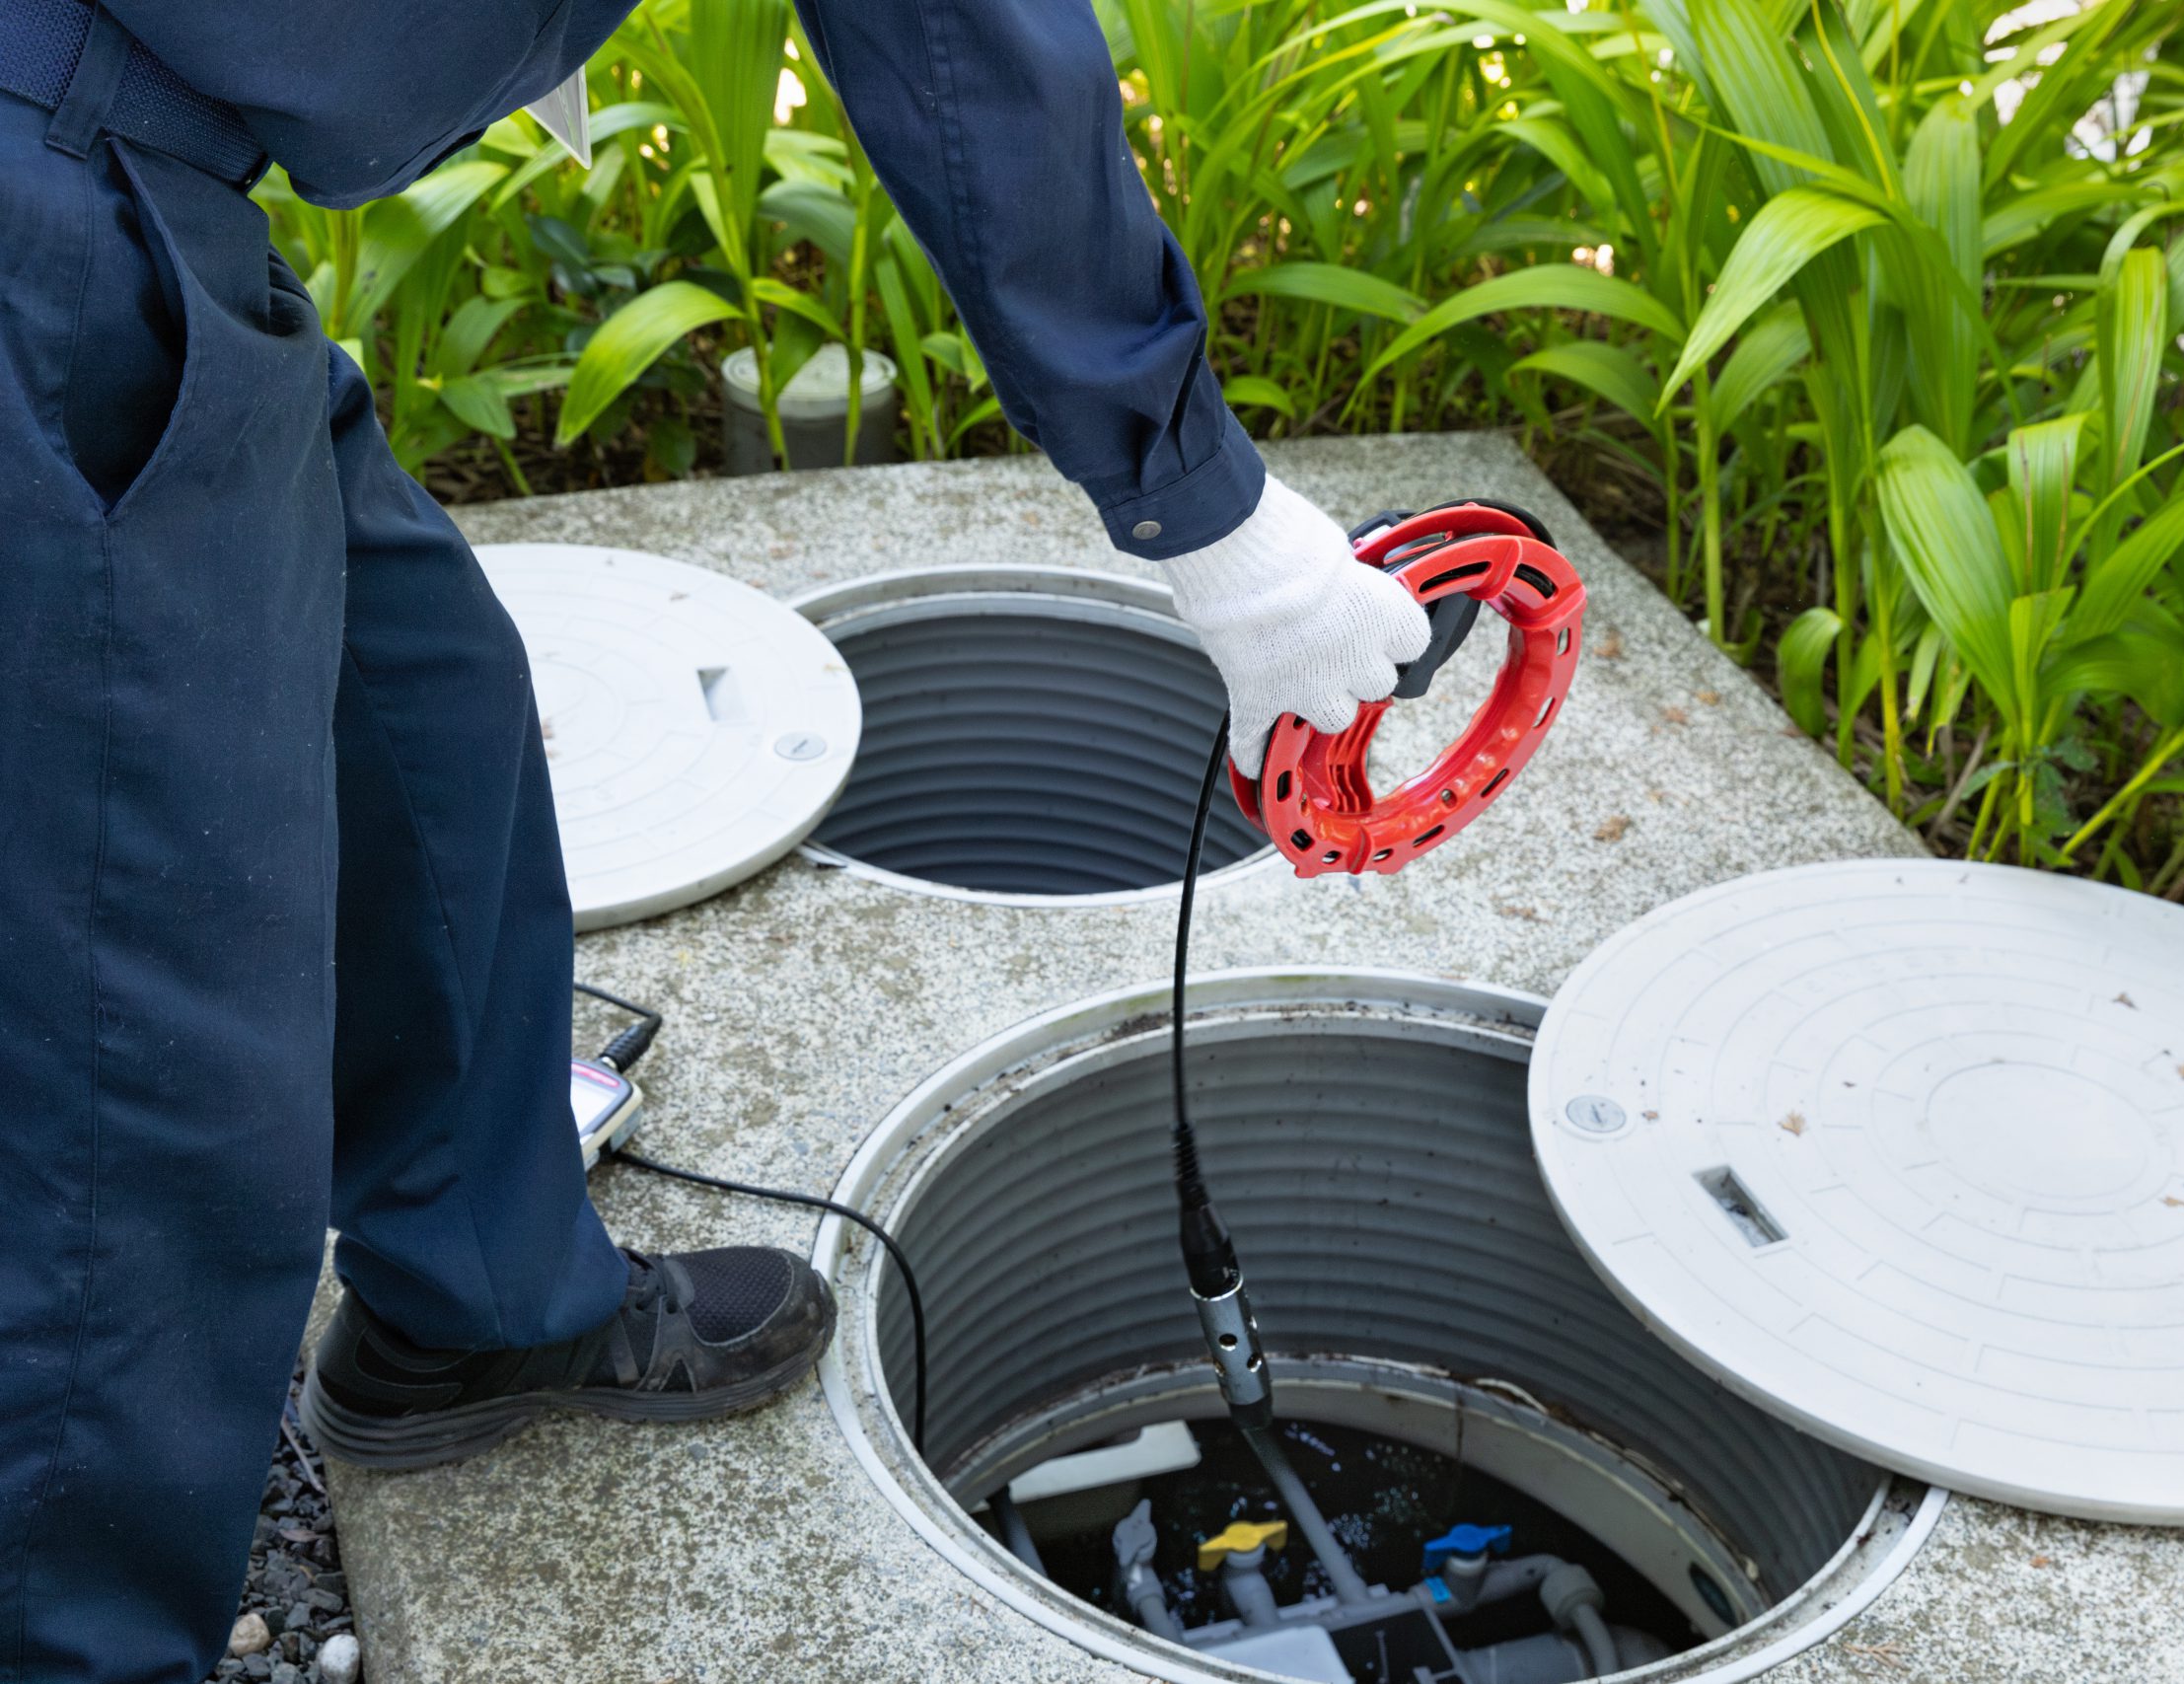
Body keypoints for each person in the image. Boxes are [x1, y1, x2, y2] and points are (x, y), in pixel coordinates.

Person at [0, 0, 1432, 1677]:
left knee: (415, 705)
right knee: (134, 1078)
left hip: (127, 160)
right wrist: (1217, 520)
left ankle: (476, 1304)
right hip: (50, 207)